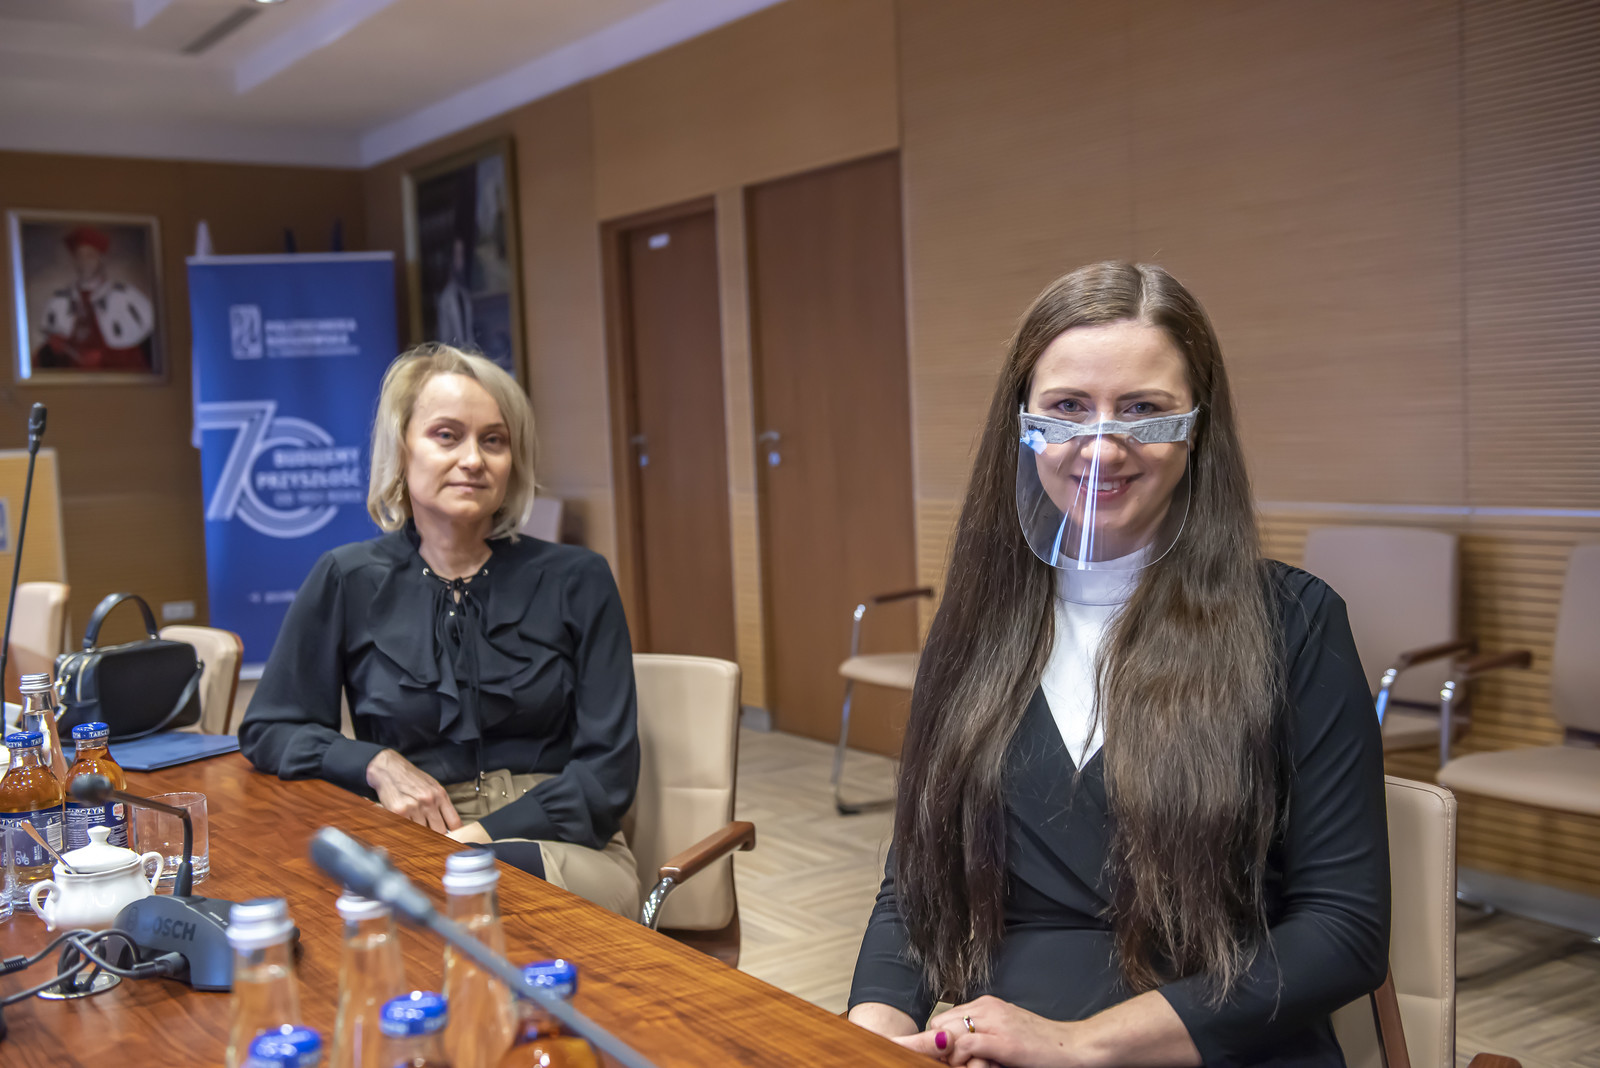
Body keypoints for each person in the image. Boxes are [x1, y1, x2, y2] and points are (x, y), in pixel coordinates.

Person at [848, 262, 1388, 1067]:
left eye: (1144, 410)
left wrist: (1080, 1045)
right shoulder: (974, 628)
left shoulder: (1296, 624)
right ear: (1023, 424)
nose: (1101, 446)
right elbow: (915, 888)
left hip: (1221, 1048)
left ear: (1196, 427)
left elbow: (1344, 931)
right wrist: (871, 1035)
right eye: (1068, 407)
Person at [239, 343, 641, 917]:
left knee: (449, 893)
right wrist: (374, 762)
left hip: (560, 845)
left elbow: (608, 774)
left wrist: (471, 842)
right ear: (402, 449)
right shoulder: (346, 578)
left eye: (494, 441)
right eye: (447, 436)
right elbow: (269, 729)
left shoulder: (578, 578)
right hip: (409, 836)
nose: (473, 459)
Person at [36, 225, 156, 372]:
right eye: (79, 256)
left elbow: (140, 350)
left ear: (100, 259)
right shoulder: (59, 300)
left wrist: (104, 357)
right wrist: (54, 347)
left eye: (90, 256)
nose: (84, 262)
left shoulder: (125, 296)